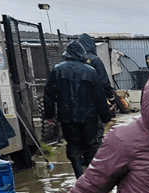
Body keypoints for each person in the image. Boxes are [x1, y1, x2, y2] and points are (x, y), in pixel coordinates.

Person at [43, 40, 113, 178]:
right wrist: (105, 118)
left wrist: (49, 115)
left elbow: (49, 94)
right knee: (91, 146)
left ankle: (79, 178)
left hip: (67, 116)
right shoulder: (91, 71)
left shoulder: (57, 70)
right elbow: (99, 96)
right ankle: (91, 180)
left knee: (73, 146)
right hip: (89, 117)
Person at [77, 33, 116, 152]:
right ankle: (96, 159)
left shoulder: (72, 62)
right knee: (97, 131)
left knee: (80, 133)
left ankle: (83, 158)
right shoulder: (95, 60)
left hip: (76, 103)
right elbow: (104, 81)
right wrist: (111, 98)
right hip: (93, 102)